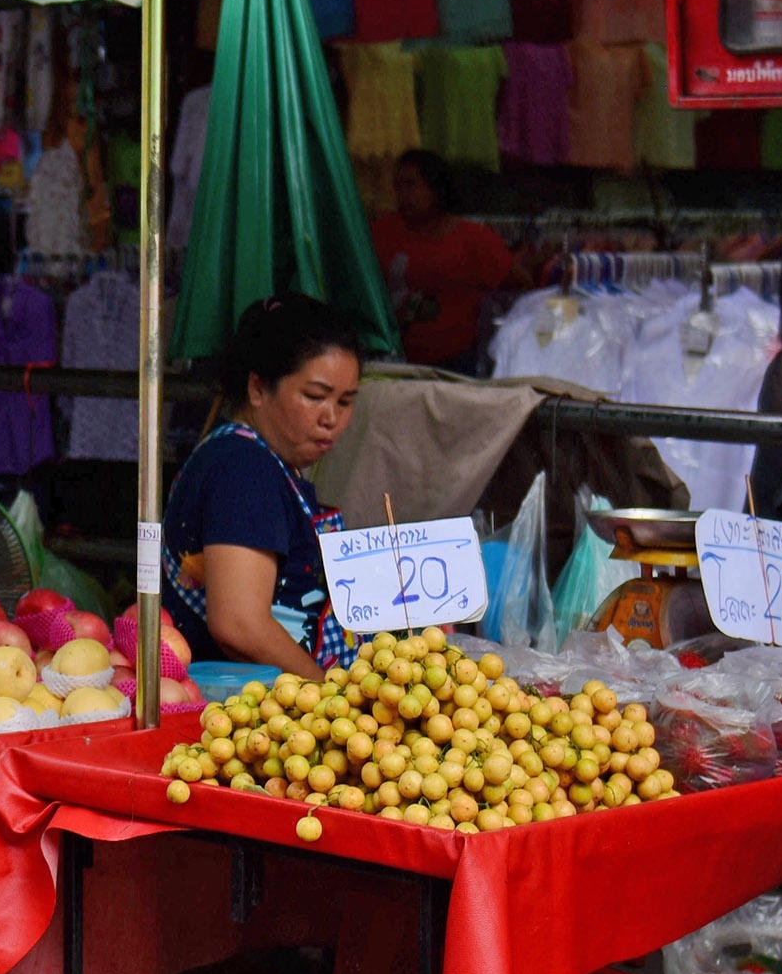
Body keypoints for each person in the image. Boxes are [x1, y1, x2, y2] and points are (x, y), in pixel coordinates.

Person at [159, 295, 366, 677]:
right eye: (315, 397)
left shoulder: (267, 463)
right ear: (258, 389)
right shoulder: (241, 467)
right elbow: (239, 625)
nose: (331, 418)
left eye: (346, 401)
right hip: (248, 710)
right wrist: (329, 696)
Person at [370, 149, 520, 368]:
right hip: (392, 359)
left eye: (411, 185)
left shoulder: (474, 239)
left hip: (456, 363)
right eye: (398, 186)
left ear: (436, 189)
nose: (402, 194)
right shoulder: (380, 233)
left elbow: (519, 283)